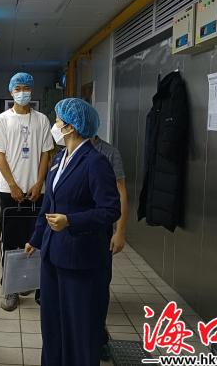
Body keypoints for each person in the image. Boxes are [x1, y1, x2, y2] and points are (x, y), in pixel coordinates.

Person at [25, 98, 120, 366]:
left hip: (80, 258)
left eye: (57, 121)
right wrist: (36, 238)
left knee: (79, 327)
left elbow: (110, 210)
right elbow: (49, 202)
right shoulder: (59, 159)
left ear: (71, 127)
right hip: (53, 254)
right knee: (52, 324)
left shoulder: (95, 162)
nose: (54, 125)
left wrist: (71, 221)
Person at [0, 72, 53, 311]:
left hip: (37, 191)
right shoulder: (2, 121)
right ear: (11, 91)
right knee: (10, 241)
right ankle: (10, 289)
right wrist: (13, 185)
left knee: (35, 239)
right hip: (9, 191)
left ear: (31, 91)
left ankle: (31, 282)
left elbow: (46, 153)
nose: (22, 92)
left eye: (26, 88)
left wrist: (39, 183)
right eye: (18, 88)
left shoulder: (41, 120)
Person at [92, 134, 129, 361]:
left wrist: (120, 230)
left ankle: (99, 338)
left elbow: (121, 191)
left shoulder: (108, 153)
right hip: (72, 230)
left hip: (100, 232)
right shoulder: (63, 153)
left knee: (99, 286)